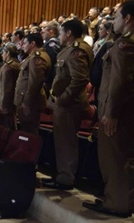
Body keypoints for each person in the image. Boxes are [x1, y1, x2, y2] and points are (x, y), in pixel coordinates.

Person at [83, 1, 134, 218]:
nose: (113, 21)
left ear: (127, 18)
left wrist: (111, 113)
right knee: (124, 157)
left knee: (115, 158)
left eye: (116, 16)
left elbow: (119, 82)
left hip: (119, 111)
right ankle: (118, 199)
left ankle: (116, 204)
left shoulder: (127, 44)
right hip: (130, 110)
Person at [41, 19, 93, 191]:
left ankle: (66, 179)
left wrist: (63, 98)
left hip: (70, 104)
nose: (60, 36)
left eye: (61, 32)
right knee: (62, 141)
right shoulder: (70, 49)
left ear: (69, 33)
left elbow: (80, 79)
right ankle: (63, 175)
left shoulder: (77, 50)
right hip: (66, 103)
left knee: (66, 142)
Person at [14, 33, 51, 135]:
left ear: (32, 44)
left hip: (30, 103)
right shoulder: (32, 57)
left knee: (29, 133)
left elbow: (35, 82)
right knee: (26, 131)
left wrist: (27, 102)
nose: (22, 46)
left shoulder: (37, 58)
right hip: (26, 100)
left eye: (25, 43)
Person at [90, 21, 115, 105]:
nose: (99, 31)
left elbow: (100, 65)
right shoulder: (100, 42)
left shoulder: (109, 44)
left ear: (108, 31)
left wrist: (94, 80)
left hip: (102, 79)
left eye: (101, 29)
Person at [0, 45, 20, 130]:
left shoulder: (8, 67)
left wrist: (3, 104)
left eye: (3, 53)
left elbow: (6, 88)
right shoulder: (17, 64)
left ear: (8, 53)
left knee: (7, 126)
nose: (2, 55)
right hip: (15, 99)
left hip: (8, 101)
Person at [42, 21, 62, 97]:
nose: (42, 32)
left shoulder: (51, 44)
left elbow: (50, 63)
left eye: (44, 29)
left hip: (50, 80)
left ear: (51, 32)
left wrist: (47, 80)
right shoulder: (54, 42)